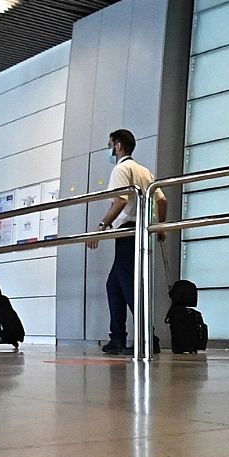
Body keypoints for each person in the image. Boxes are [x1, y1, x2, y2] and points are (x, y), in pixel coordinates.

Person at [86, 129, 167, 355]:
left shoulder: (121, 169)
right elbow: (162, 201)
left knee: (130, 285)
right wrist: (159, 226)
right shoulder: (144, 171)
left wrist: (100, 228)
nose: (109, 150)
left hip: (127, 232)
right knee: (115, 285)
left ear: (118, 145)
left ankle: (148, 338)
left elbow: (120, 200)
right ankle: (118, 338)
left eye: (110, 144)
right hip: (142, 231)